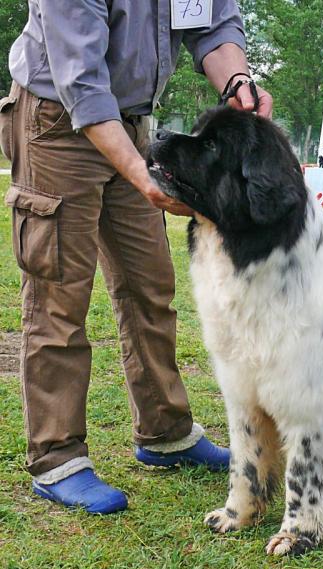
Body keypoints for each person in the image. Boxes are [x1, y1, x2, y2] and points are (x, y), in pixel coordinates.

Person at [0, 0, 272, 515]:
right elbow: (80, 77)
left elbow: (212, 23)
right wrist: (137, 171)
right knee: (59, 291)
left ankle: (165, 433)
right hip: (56, 118)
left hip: (131, 121)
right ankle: (57, 457)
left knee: (149, 285)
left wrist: (238, 82)